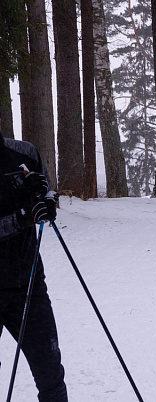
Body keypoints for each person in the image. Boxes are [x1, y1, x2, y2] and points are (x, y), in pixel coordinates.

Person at [0, 112, 68, 401]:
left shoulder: (23, 152)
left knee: (50, 374)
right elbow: (23, 217)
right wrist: (24, 215)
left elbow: (48, 195)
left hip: (26, 285)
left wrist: (43, 199)